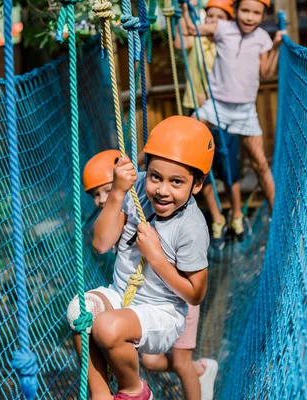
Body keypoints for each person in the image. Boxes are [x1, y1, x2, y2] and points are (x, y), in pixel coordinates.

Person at [67, 116, 214, 400]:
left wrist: (157, 258)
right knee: (80, 313)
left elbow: (196, 294)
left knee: (107, 329)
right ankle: (100, 395)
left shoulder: (191, 227)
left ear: (197, 185)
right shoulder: (138, 192)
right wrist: (118, 192)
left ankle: (135, 391)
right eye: (156, 176)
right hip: (121, 294)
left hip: (162, 312)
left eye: (176, 182)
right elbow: (100, 243)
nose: (162, 189)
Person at [183, 0, 286, 241]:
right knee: (188, 131)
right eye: (245, 11)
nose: (250, 17)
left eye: (256, 13)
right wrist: (185, 9)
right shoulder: (222, 29)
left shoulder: (262, 38)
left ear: (263, 15)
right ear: (236, 11)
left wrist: (278, 45)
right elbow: (191, 30)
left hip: (245, 110)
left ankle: (278, 218)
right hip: (217, 104)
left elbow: (266, 73)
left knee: (260, 163)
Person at [176, 0, 247, 250]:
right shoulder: (196, 41)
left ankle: (237, 215)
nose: (212, 21)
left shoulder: (229, 46)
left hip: (223, 112)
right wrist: (183, 12)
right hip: (196, 112)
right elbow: (179, 42)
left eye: (219, 17)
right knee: (201, 171)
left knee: (229, 168)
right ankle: (217, 219)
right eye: (209, 16)